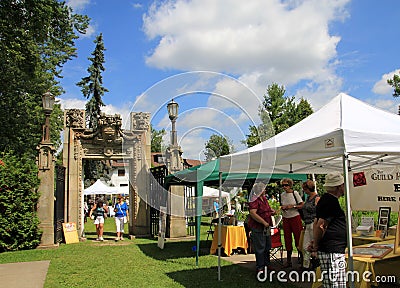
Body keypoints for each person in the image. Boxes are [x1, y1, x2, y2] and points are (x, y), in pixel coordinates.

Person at [310, 172, 347, 288]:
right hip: (332, 249)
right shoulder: (330, 201)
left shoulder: (325, 199)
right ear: (339, 187)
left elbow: (316, 223)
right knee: (336, 284)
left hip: (330, 248)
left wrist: (315, 242)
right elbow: (321, 225)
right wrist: (315, 245)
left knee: (330, 283)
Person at [248, 182, 276, 275]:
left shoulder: (264, 199)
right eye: (264, 189)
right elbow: (253, 213)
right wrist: (263, 222)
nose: (265, 190)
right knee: (260, 247)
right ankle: (260, 267)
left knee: (267, 246)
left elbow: (266, 209)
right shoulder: (254, 200)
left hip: (266, 226)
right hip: (258, 227)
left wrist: (271, 211)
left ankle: (267, 264)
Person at [280, 177, 304, 268]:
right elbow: (282, 204)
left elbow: (301, 204)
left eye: (286, 185)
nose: (284, 187)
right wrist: (283, 207)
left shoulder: (295, 193)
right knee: (287, 238)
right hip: (286, 218)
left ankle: (302, 260)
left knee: (298, 238)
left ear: (290, 185)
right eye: (283, 185)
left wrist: (292, 206)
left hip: (295, 217)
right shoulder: (282, 195)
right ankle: (289, 260)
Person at [300, 180, 320, 270]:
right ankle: (306, 264)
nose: (304, 191)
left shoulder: (317, 198)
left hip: (313, 224)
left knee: (314, 245)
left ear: (308, 189)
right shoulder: (308, 198)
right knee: (305, 246)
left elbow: (319, 211)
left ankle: (316, 264)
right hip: (307, 224)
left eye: (304, 189)